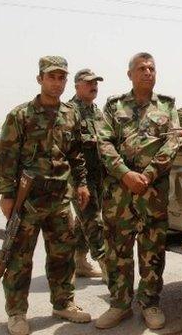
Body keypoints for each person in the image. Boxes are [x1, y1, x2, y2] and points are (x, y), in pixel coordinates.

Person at [0, 56, 92, 335]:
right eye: (52, 77)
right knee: (19, 259)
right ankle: (16, 312)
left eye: (62, 77)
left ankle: (63, 303)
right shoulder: (20, 115)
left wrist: (82, 184)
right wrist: (7, 194)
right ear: (40, 79)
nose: (57, 82)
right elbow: (6, 158)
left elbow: (76, 154)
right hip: (28, 200)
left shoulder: (71, 113)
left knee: (62, 255)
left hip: (60, 198)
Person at [95, 52, 180, 330]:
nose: (147, 72)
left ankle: (150, 303)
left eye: (152, 68)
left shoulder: (167, 106)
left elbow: (173, 143)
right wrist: (125, 174)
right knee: (117, 251)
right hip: (119, 195)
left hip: (152, 193)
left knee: (152, 250)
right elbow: (103, 143)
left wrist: (148, 174)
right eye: (141, 68)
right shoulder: (113, 106)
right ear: (130, 74)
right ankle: (119, 304)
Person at [67, 68, 107, 280]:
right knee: (93, 220)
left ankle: (79, 261)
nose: (94, 86)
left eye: (96, 82)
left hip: (98, 174)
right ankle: (108, 267)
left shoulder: (96, 111)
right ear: (77, 86)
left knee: (85, 220)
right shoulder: (68, 112)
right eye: (89, 83)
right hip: (78, 177)